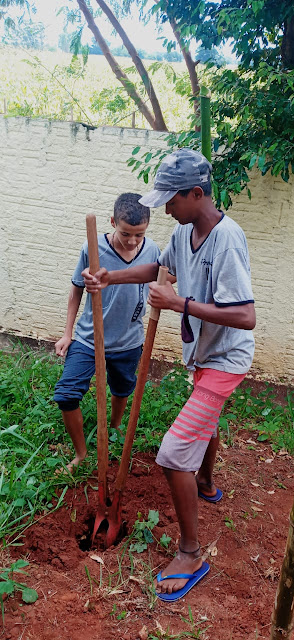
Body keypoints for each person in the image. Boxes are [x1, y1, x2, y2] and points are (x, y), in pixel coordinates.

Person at [82, 149, 256, 601]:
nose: (164, 208)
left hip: (225, 360)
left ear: (197, 193)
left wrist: (178, 304)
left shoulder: (227, 239)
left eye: (170, 200)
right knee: (206, 426)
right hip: (203, 356)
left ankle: (191, 551)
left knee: (173, 453)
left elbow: (245, 316)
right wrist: (110, 276)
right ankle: (205, 483)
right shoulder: (184, 232)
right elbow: (160, 272)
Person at [53, 192, 160, 473]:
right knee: (66, 395)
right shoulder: (93, 248)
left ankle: (113, 427)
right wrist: (67, 334)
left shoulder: (153, 252)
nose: (133, 241)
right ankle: (82, 454)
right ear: (113, 222)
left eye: (139, 234)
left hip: (129, 341)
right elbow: (76, 288)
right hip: (90, 339)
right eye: (126, 233)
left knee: (122, 388)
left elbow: (162, 279)